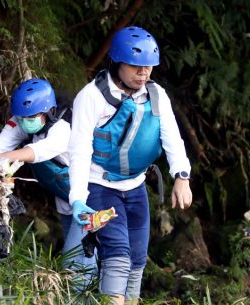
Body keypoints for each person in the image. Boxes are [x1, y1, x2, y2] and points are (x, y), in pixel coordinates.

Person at [68, 26, 193, 304]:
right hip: (100, 186)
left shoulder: (156, 95)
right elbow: (78, 150)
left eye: (148, 67)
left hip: (136, 188)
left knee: (137, 263)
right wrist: (77, 198)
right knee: (118, 258)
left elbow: (172, 136)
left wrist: (181, 176)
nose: (143, 73)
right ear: (117, 62)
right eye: (136, 66)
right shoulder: (91, 97)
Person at [0, 78, 97, 286]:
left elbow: (38, 151)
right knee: (79, 259)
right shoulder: (22, 121)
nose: (26, 121)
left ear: (49, 111)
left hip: (88, 198)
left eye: (32, 117)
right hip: (65, 198)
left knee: (77, 262)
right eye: (22, 117)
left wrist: (7, 156)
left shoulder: (65, 126)